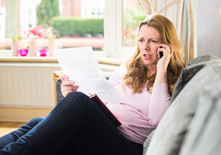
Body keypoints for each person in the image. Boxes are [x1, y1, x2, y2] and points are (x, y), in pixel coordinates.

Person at [0, 13, 185, 155]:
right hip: (101, 129)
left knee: (79, 102)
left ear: (166, 46)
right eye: (141, 40)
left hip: (125, 145)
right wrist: (71, 94)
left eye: (153, 41)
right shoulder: (128, 69)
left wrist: (161, 69)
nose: (144, 47)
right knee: (37, 123)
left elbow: (157, 121)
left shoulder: (174, 80)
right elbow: (103, 96)